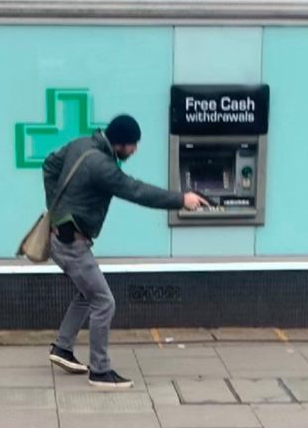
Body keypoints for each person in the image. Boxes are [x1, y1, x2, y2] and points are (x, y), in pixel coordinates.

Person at [42, 114, 207, 389]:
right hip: (71, 243)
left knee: (88, 294)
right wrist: (181, 199)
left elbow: (49, 166)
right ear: (119, 143)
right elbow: (136, 191)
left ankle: (62, 347)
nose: (135, 150)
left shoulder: (81, 144)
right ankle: (100, 370)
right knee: (104, 301)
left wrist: (57, 210)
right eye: (132, 145)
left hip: (64, 237)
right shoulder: (102, 166)